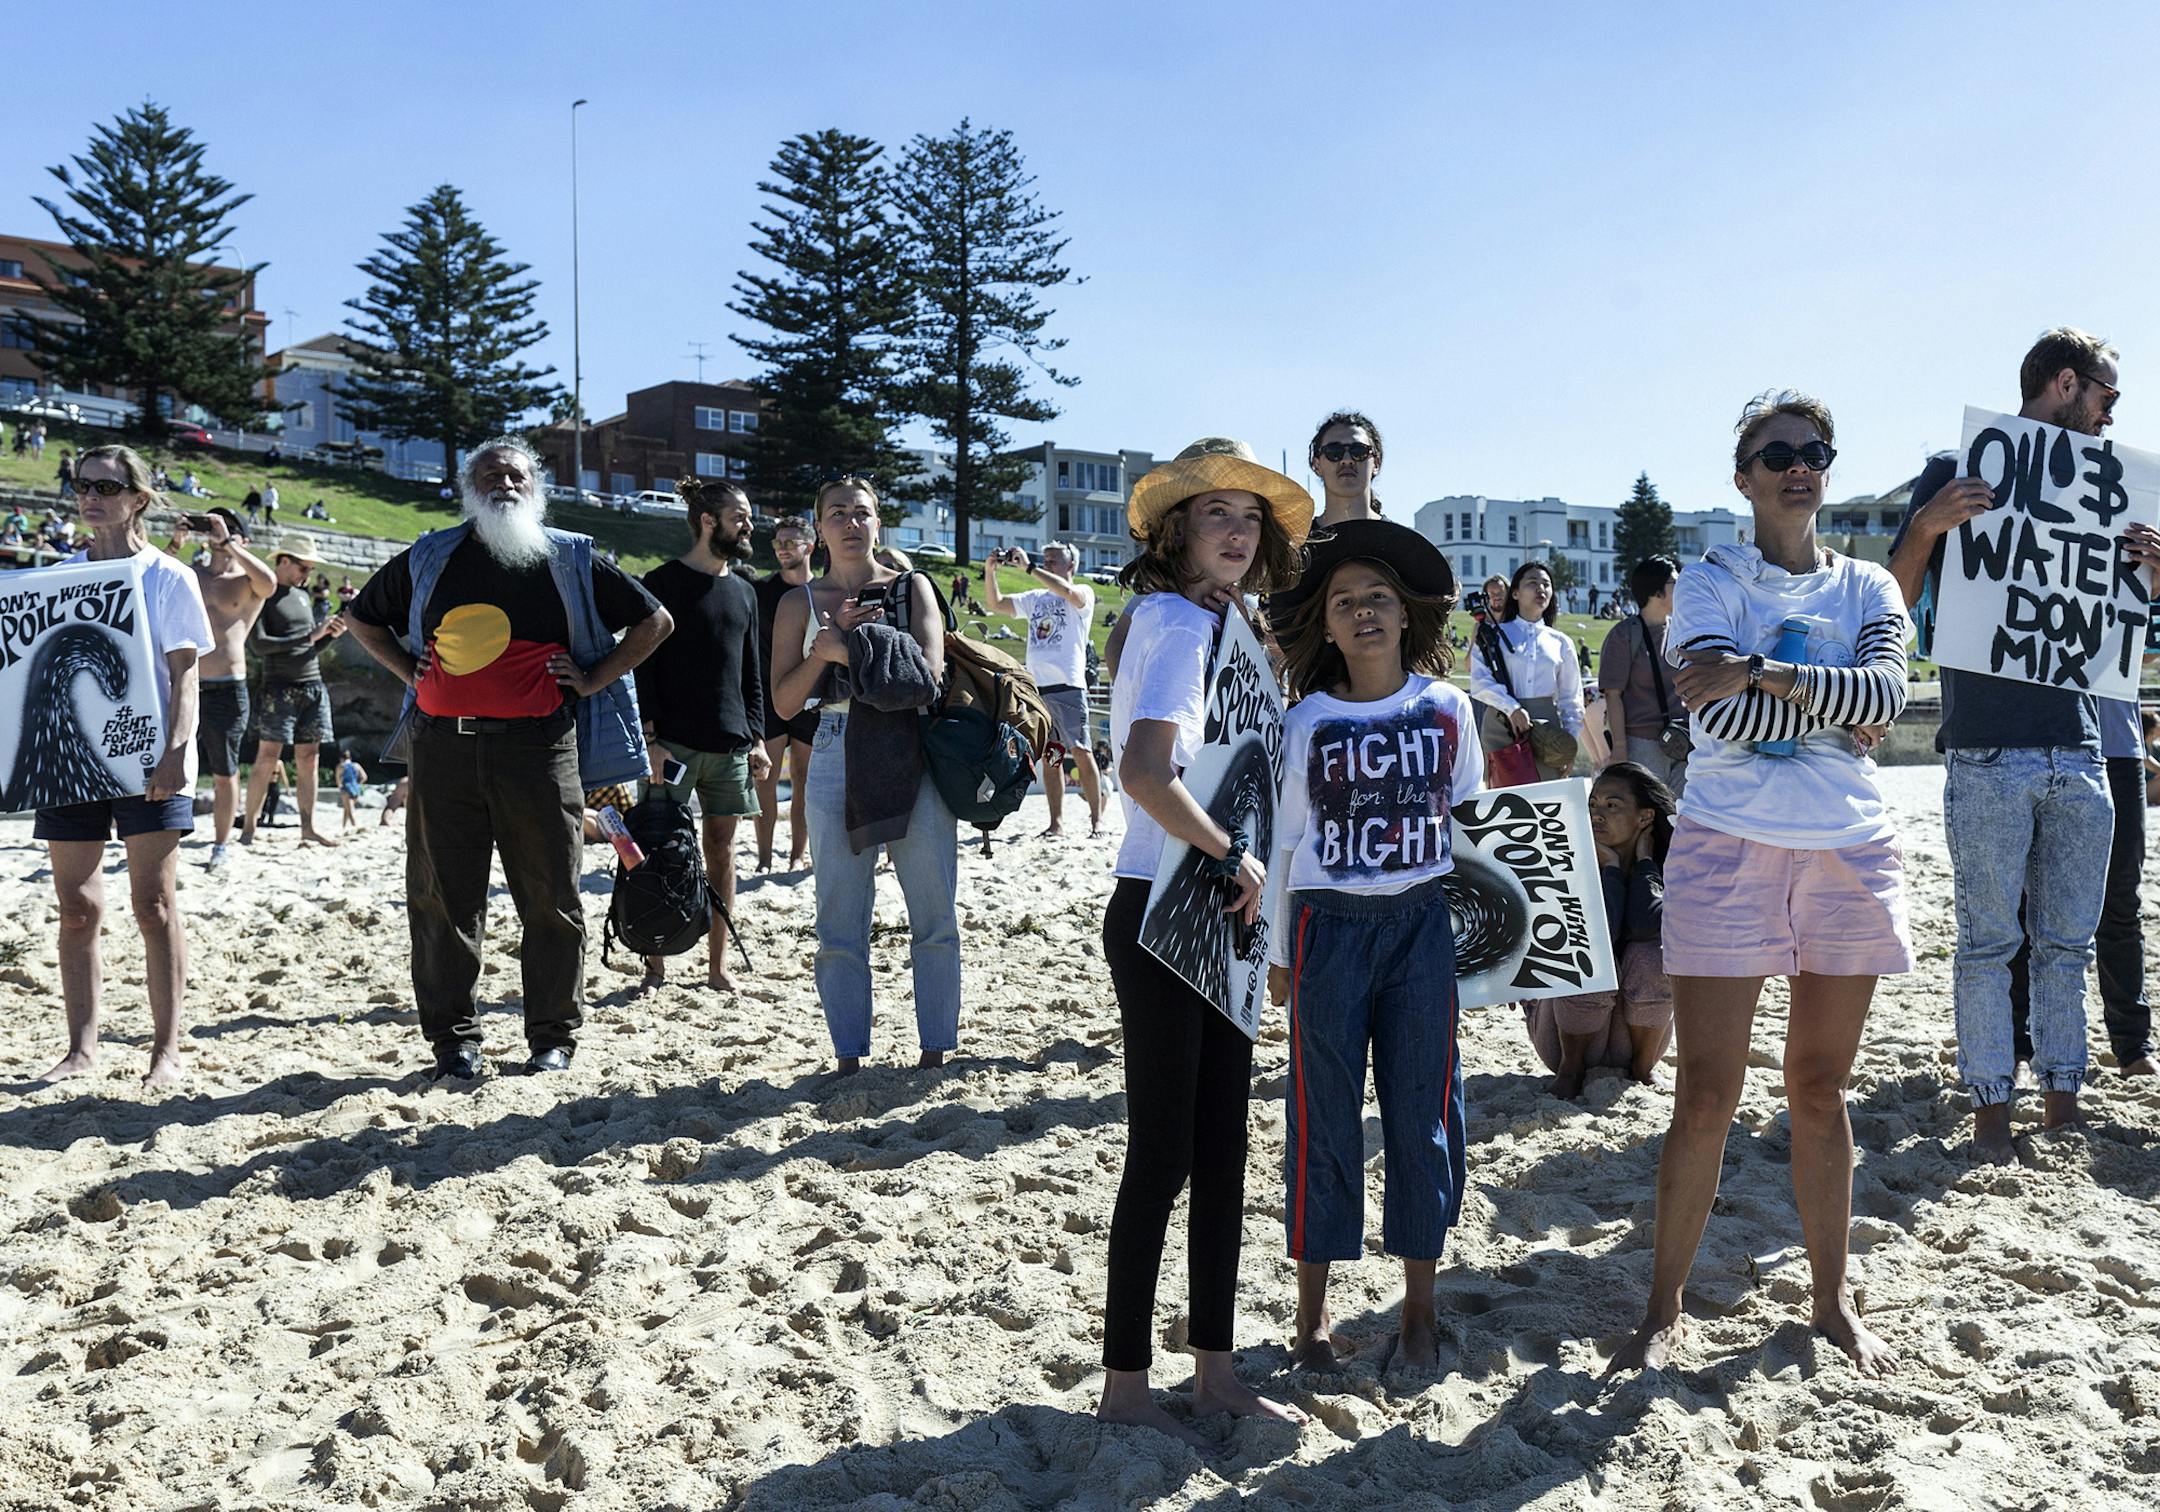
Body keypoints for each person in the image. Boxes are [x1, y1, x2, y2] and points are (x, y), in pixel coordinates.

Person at [1608, 390, 1913, 1379]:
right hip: (1728, 845)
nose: (1798, 465)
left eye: (1814, 450)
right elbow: (1712, 722)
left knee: (1819, 1092)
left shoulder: (1870, 586)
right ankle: (1662, 1311)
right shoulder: (1709, 577)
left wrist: (1768, 677)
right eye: (1775, 452)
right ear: (1742, 476)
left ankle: (1830, 1306)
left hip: (1846, 849)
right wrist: (1813, 706)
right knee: (1705, 1094)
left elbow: (1887, 697)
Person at [1887, 329, 2160, 1158]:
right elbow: (1894, 600)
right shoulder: (1957, 470)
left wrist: (2154, 576)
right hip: (1986, 752)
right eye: (2107, 396)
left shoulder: (2112, 491)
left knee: (2066, 945)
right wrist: (1933, 524)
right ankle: (1992, 1109)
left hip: (2081, 750)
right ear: (2067, 384)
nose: (2114, 414)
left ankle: (2063, 1104)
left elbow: (2126, 643)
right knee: (1987, 944)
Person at [1097, 436, 1312, 1444]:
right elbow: (1147, 771)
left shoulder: (1221, 627)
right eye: (1215, 512)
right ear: (1176, 529)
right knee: (1168, 1153)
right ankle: (1128, 1383)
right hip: (1167, 904)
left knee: (1220, 1150)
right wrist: (1232, 857)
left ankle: (1214, 1371)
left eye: (1250, 516)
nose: (1236, 529)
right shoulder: (1181, 625)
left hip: (1214, 910)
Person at [345, 436, 672, 1080]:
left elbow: (654, 621)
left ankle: (553, 1037)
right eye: (490, 474)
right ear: (470, 488)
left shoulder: (569, 557)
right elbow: (361, 618)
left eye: (516, 474)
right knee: (442, 897)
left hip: (541, 747)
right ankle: (455, 1042)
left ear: (536, 485)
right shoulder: (432, 553)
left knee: (550, 894)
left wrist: (595, 675)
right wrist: (408, 672)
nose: (504, 483)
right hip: (442, 748)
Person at [1266, 521, 1481, 1374]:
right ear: (1324, 624)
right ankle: (1311, 1323)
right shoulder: (1305, 720)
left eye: (1378, 599)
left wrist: (1486, 949)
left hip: (1423, 926)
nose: (1363, 614)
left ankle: (1418, 1314)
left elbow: (1471, 832)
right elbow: (1286, 844)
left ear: (1405, 613)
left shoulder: (1447, 706)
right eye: (1345, 603)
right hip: (1328, 928)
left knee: (1422, 1117)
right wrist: (1280, 954)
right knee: (1320, 1118)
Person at [33, 445, 212, 1087]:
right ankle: (81, 1050)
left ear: (138, 497)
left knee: (152, 904)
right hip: (72, 760)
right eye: (81, 485)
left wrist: (175, 752)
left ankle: (166, 1051)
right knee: (77, 908)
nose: (90, 497)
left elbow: (185, 678)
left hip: (149, 760)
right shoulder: (56, 575)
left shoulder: (169, 577)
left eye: (106, 487)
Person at [770, 477, 957, 1073]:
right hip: (833, 744)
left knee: (933, 911)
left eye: (862, 513)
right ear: (818, 527)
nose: (851, 523)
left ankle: (935, 1051)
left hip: (911, 744)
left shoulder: (913, 587)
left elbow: (928, 678)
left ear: (879, 523)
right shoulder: (798, 602)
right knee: (839, 915)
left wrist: (849, 650)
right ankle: (848, 1055)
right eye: (837, 514)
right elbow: (782, 702)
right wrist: (820, 653)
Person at [637, 476, 770, 992]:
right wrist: (650, 737)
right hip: (672, 743)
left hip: (731, 744)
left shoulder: (744, 590)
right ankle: (655, 963)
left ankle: (717, 967)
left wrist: (757, 738)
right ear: (708, 521)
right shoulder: (661, 582)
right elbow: (642, 669)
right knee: (659, 849)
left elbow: (751, 673)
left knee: (722, 851)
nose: (749, 526)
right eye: (740, 517)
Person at [1526, 762, 1676, 1098]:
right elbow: (1598, 931)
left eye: (1612, 805)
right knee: (1588, 945)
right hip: (1561, 1040)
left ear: (1645, 818)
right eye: (1592, 804)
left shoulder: (1670, 867)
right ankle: (1571, 1071)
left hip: (1639, 1039)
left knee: (1654, 951)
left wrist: (1644, 866)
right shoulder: (1565, 862)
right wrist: (1608, 869)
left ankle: (1642, 1068)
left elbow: (1644, 924)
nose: (1597, 815)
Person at [167, 506, 275, 866]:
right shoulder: (191, 574)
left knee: (224, 770)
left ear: (241, 538)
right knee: (171, 762)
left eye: (228, 528)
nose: (217, 532)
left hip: (228, 686)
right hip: (185, 683)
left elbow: (270, 583)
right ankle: (164, 837)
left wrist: (230, 545)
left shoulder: (247, 583)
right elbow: (147, 581)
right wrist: (175, 542)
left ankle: (220, 845)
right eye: (213, 526)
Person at [981, 541, 1102, 836]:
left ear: (1071, 566)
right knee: (1052, 757)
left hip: (1069, 684)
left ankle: (1096, 820)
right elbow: (996, 604)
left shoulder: (1083, 591)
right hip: (1037, 689)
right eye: (1045, 560)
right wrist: (990, 570)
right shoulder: (1035, 597)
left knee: (1082, 751)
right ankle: (1056, 823)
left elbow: (1069, 593)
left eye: (1054, 561)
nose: (1047, 564)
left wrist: (1031, 568)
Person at [239, 533, 346, 848]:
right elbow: (259, 645)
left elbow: (307, 646)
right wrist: (313, 636)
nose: (307, 576)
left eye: (311, 570)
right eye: (303, 568)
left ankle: (308, 828)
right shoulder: (263, 593)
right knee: (268, 756)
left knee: (309, 758)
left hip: (312, 686)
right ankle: (248, 828)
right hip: (278, 688)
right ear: (283, 561)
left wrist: (330, 636)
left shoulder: (302, 596)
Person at [1468, 561, 1584, 782]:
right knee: (1507, 803)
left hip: (1546, 734)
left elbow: (1571, 699)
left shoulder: (1561, 642)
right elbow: (1480, 682)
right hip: (1501, 725)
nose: (1541, 588)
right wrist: (1512, 709)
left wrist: (1570, 743)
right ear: (1515, 593)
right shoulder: (1491, 636)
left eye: (1546, 584)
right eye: (1532, 582)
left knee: (1546, 804)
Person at [752, 514, 819, 872]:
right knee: (765, 777)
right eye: (778, 542)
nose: (781, 548)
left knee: (805, 780)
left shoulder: (823, 590)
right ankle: (764, 859)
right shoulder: (760, 592)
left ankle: (797, 855)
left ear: (809, 546)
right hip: (769, 695)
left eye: (790, 542)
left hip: (811, 697)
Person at [1597, 555, 1689, 794]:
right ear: (1655, 590)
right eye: (1674, 583)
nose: (1682, 589)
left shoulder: (1684, 631)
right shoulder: (1624, 635)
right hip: (1643, 747)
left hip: (1685, 743)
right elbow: (1613, 696)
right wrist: (1619, 749)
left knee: (1683, 822)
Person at [1308, 409, 1386, 526]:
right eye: (1334, 451)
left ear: (1376, 463)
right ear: (1317, 465)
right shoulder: (1298, 543)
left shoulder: (1408, 542)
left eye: (1359, 450)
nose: (1347, 460)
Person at [336, 746, 367, 830]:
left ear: (341, 758)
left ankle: (355, 827)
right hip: (356, 788)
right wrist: (358, 784)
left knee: (350, 810)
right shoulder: (356, 765)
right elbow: (364, 777)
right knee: (347, 809)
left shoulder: (340, 766)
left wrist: (340, 787)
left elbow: (338, 780)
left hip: (346, 788)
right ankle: (344, 826)